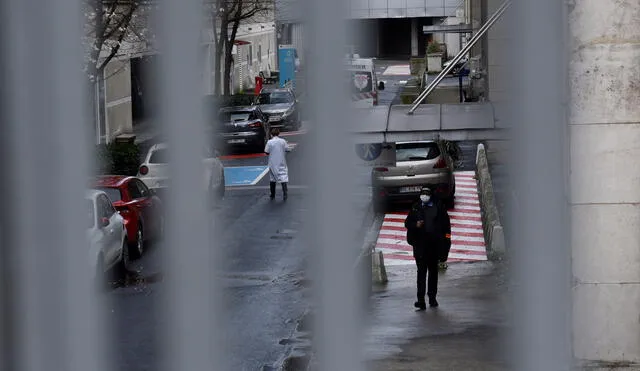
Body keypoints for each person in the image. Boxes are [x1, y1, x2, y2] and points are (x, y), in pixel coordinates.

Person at [404, 187, 452, 309]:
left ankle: (432, 298)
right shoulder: (416, 207)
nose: (424, 196)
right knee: (421, 273)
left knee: (433, 273)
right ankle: (420, 300)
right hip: (420, 246)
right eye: (422, 193)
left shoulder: (439, 207)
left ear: (431, 195)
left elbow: (446, 228)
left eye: (427, 193)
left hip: (434, 246)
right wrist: (416, 225)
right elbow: (407, 223)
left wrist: (446, 242)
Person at [264, 127, 290, 200]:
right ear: (278, 133)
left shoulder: (269, 142)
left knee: (272, 178)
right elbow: (288, 149)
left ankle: (272, 194)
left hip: (272, 162)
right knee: (283, 177)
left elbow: (266, 151)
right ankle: (285, 193)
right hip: (282, 161)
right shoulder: (283, 141)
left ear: (271, 134)